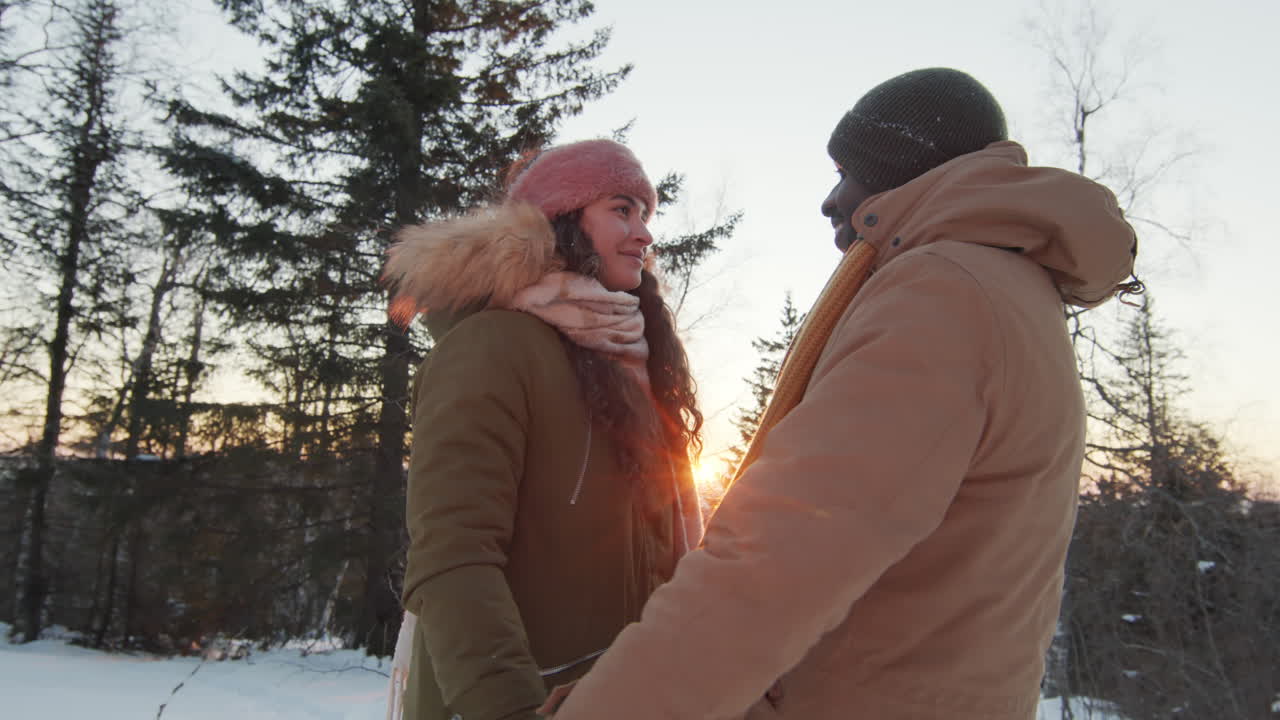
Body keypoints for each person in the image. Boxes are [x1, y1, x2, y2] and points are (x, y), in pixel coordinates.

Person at [549, 68, 1140, 720]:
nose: (832, 201)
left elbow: (774, 564)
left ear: (906, 169)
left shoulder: (941, 297)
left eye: (848, 172)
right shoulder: (1009, 291)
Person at [380, 139, 704, 720]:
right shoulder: (491, 346)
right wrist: (507, 706)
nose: (644, 234)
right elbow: (453, 554)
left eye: (646, 215)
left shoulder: (624, 364)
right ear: (561, 220)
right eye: (622, 210)